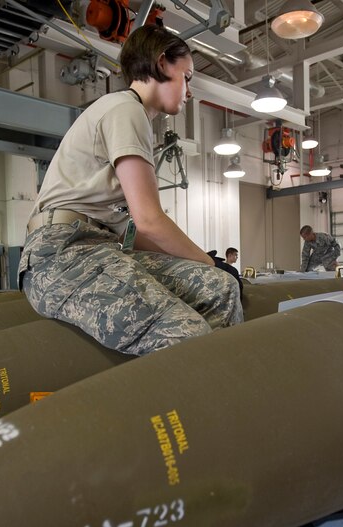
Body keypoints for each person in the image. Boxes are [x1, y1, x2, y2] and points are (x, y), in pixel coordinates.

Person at [18, 24, 243, 357]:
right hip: (61, 255)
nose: (189, 91)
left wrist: (211, 270)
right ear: (163, 62)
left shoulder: (128, 115)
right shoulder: (125, 110)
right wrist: (208, 262)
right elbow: (150, 220)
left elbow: (135, 232)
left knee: (220, 289)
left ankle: (210, 387)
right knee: (188, 334)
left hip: (101, 247)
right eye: (188, 77)